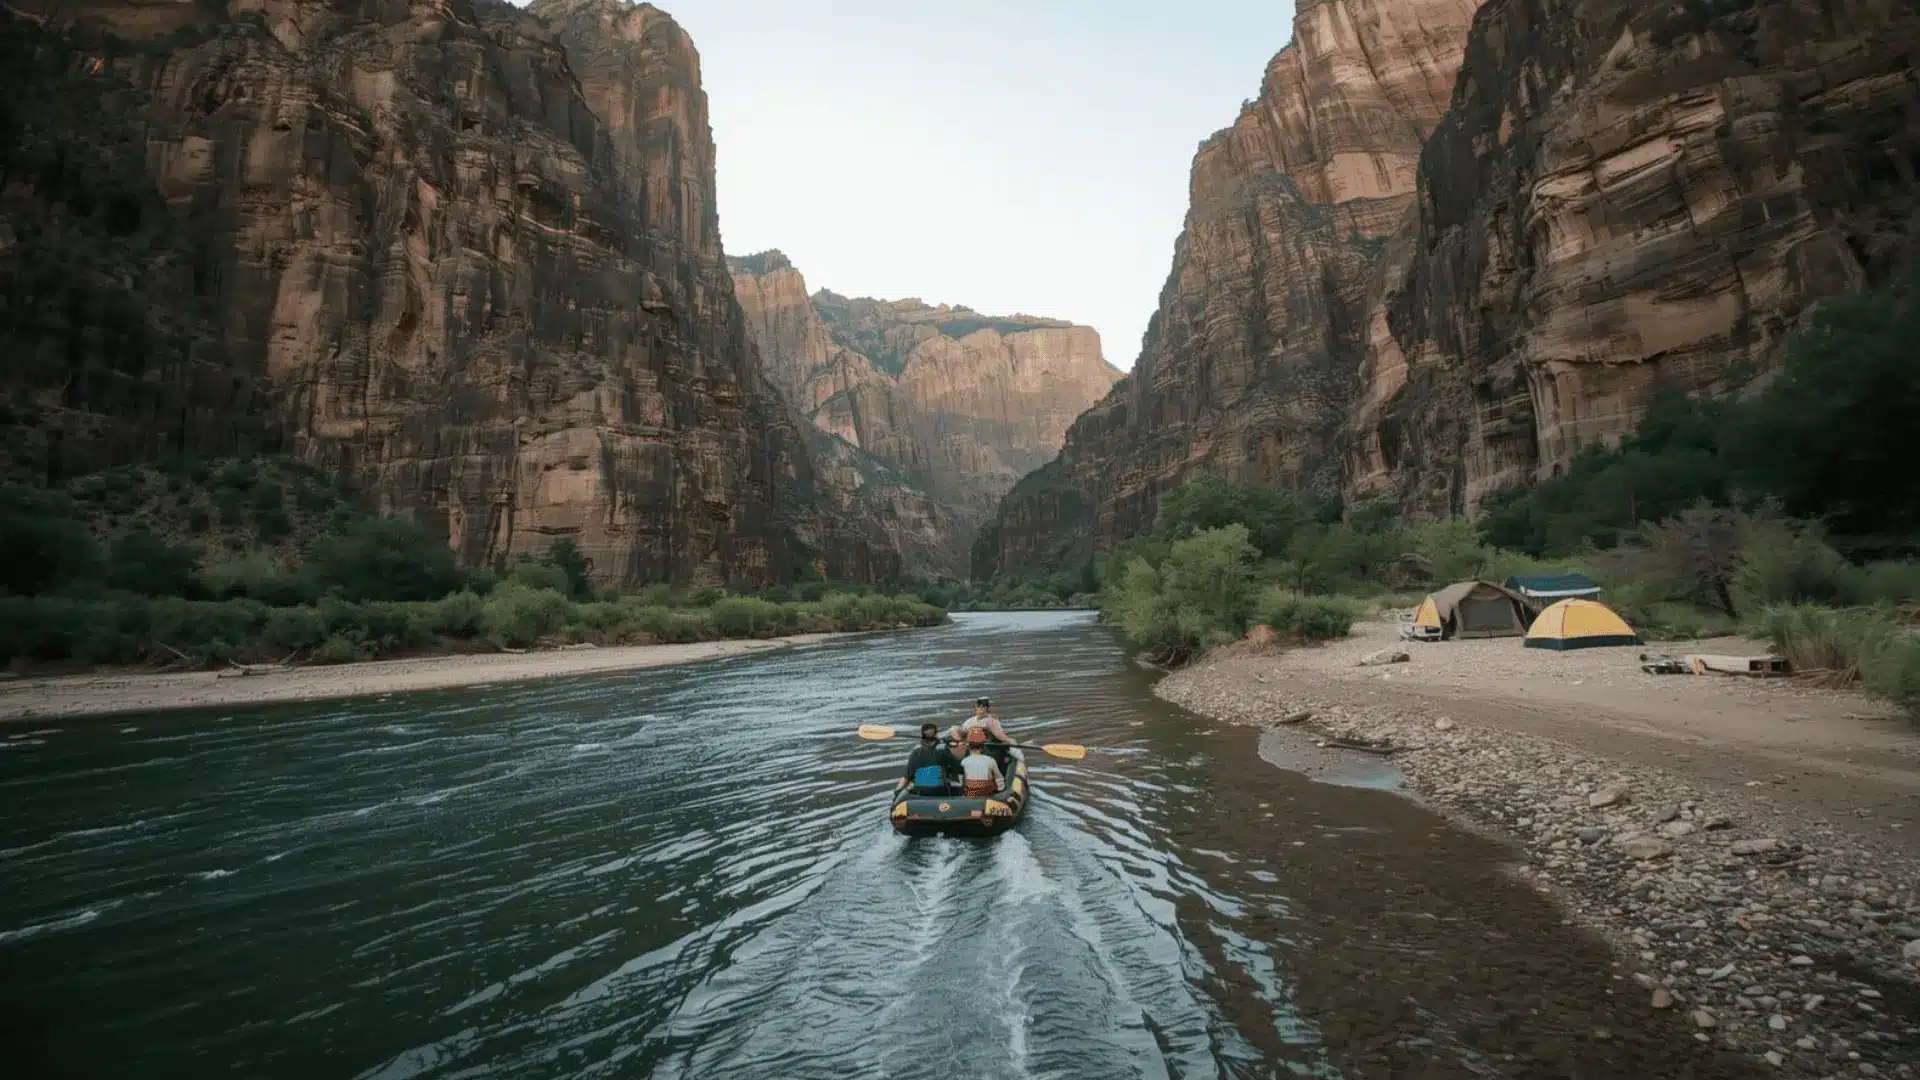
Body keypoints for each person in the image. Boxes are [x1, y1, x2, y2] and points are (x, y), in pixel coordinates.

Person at [897, 723, 963, 795]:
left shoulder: (915, 752)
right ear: (936, 735)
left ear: (922, 735)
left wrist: (897, 793)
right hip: (940, 790)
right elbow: (958, 768)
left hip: (921, 791)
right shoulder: (942, 750)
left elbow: (906, 777)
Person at [958, 728, 1004, 797]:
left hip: (970, 794)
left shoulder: (963, 762)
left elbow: (962, 782)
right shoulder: (990, 760)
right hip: (987, 794)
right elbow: (999, 778)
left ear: (968, 746)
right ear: (983, 746)